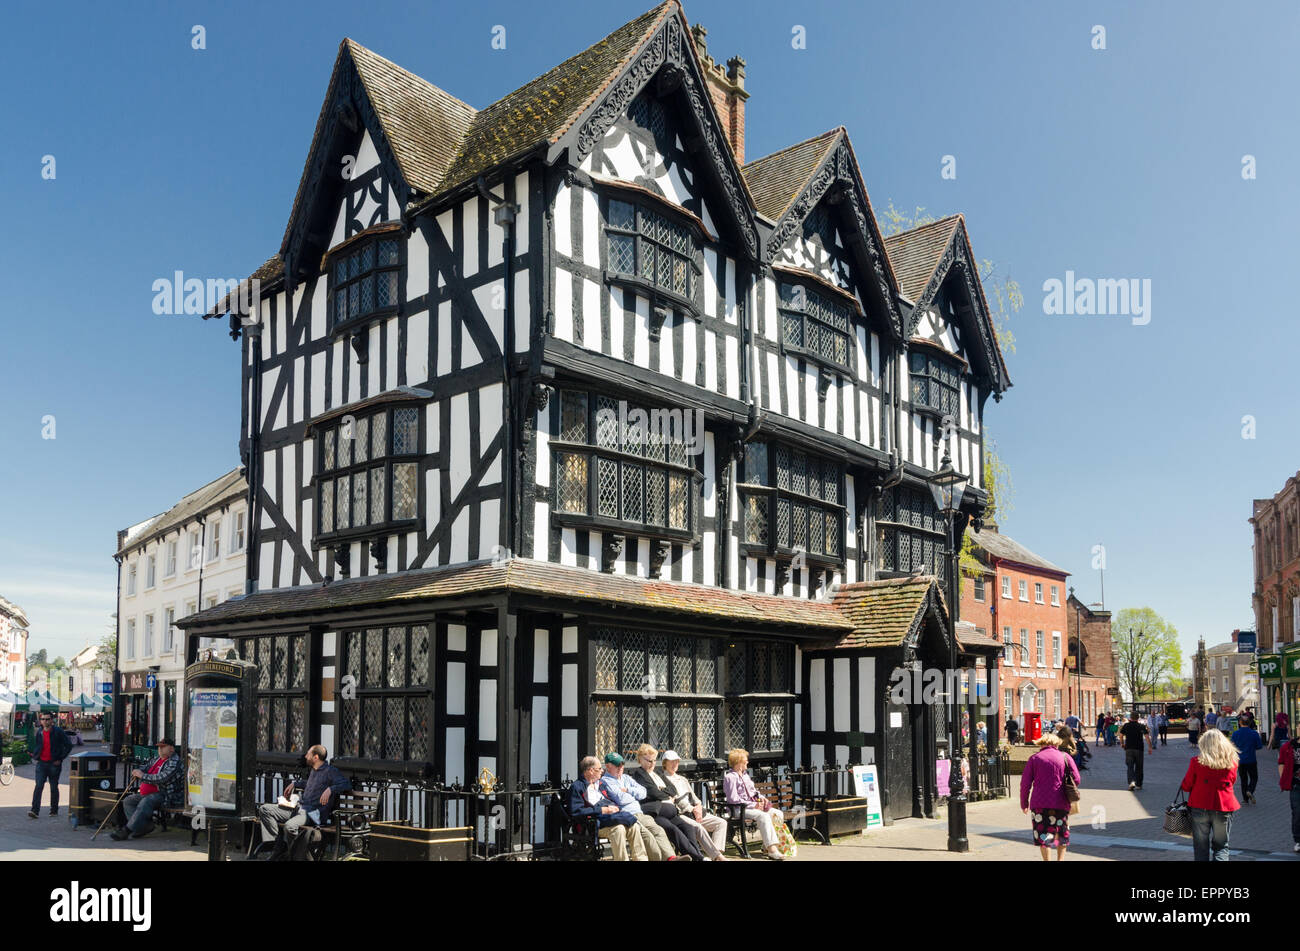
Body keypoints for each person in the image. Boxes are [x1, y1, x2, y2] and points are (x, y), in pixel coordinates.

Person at [257, 744, 351, 861]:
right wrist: (295, 783)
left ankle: (294, 855)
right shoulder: (314, 771)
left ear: (315, 757)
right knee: (265, 809)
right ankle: (279, 846)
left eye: (308, 754)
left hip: (313, 814)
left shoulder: (330, 771)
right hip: (299, 809)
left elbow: (346, 784)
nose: (306, 756)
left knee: (290, 826)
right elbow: (311, 784)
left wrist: (330, 789)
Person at [626, 745, 705, 861]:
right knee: (672, 829)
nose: (652, 763)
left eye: (654, 760)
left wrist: (663, 791)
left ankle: (696, 856)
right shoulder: (639, 774)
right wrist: (665, 794)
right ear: (641, 759)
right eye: (649, 761)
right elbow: (653, 792)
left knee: (688, 827)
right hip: (656, 813)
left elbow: (673, 789)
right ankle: (698, 857)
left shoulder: (658, 772)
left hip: (670, 812)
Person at [600, 753, 678, 860]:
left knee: (658, 830)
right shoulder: (606, 781)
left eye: (622, 764)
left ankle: (672, 858)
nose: (621, 768)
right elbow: (621, 799)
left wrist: (628, 790)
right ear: (608, 766)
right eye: (617, 765)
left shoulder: (626, 778)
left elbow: (643, 792)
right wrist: (634, 796)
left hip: (640, 813)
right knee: (649, 839)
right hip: (628, 815)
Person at [568, 755, 644, 860]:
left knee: (633, 826)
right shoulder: (577, 787)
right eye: (599, 769)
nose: (602, 771)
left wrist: (614, 807)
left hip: (610, 819)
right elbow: (576, 812)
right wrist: (602, 810)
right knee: (619, 829)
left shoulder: (601, 784)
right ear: (590, 770)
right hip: (594, 824)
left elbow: (610, 800)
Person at [1180, 729, 1240, 861]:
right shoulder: (1232, 762)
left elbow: (1186, 785)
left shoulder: (1196, 762)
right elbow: (1232, 781)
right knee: (1221, 846)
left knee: (1201, 846)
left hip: (1200, 805)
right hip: (1223, 806)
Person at [657, 749, 729, 860]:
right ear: (665, 763)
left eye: (676, 761)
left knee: (721, 823)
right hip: (681, 814)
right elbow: (673, 802)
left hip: (694, 812)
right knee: (698, 827)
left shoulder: (683, 779)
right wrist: (692, 809)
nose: (674, 764)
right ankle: (718, 857)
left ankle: (716, 855)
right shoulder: (662, 781)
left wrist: (698, 808)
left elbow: (695, 799)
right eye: (671, 761)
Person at [1020, 732, 1080, 861]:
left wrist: (1024, 803)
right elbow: (1077, 779)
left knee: (1044, 836)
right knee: (1060, 834)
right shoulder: (1065, 757)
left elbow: (1025, 784)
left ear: (1041, 744)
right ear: (1057, 744)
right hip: (1061, 802)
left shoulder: (1034, 758)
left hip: (1039, 804)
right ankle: (1060, 859)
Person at [110, 738, 183, 840]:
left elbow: (162, 778)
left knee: (147, 801)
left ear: (171, 748)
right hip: (149, 793)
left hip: (166, 795)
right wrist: (137, 771)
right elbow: (145, 767)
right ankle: (143, 827)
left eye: (163, 747)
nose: (160, 749)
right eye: (158, 747)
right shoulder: (156, 759)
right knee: (128, 800)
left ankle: (127, 830)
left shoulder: (174, 762)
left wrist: (142, 776)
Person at [724, 748, 786, 860]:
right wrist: (753, 805)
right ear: (738, 762)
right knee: (763, 816)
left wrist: (762, 799)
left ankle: (766, 846)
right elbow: (733, 799)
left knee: (778, 814)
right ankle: (772, 850)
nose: (747, 762)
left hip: (752, 807)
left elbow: (754, 793)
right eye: (745, 760)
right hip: (738, 810)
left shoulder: (745, 775)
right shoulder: (730, 778)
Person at [27, 712, 72, 818]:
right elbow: (39, 745)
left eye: (47, 719)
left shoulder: (58, 732)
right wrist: (35, 755)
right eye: (43, 719)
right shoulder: (40, 732)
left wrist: (60, 758)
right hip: (41, 763)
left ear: (52, 720)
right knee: (38, 786)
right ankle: (34, 811)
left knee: (53, 787)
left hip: (54, 764)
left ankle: (54, 810)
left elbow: (68, 745)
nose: (45, 721)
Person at [1231, 719, 1263, 804]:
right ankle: (1250, 790)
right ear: (1249, 723)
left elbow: (1232, 746)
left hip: (1240, 760)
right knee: (1254, 777)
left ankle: (1245, 799)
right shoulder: (1254, 733)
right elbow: (1259, 746)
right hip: (1251, 759)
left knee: (1243, 779)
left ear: (1240, 723)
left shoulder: (1235, 733)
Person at [1278, 733, 1300, 853]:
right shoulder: (1288, 747)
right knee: (1297, 812)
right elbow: (1281, 763)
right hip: (1296, 785)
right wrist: (1284, 779)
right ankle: (1298, 840)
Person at [1120, 711, 1153, 791]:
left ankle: (1131, 782)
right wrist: (1150, 747)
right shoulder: (1141, 726)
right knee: (1139, 767)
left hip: (1129, 749)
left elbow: (1121, 736)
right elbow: (1147, 737)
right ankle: (1138, 784)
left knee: (1130, 766)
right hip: (1139, 749)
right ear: (1138, 718)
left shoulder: (1126, 725)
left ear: (1130, 717)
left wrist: (1122, 744)